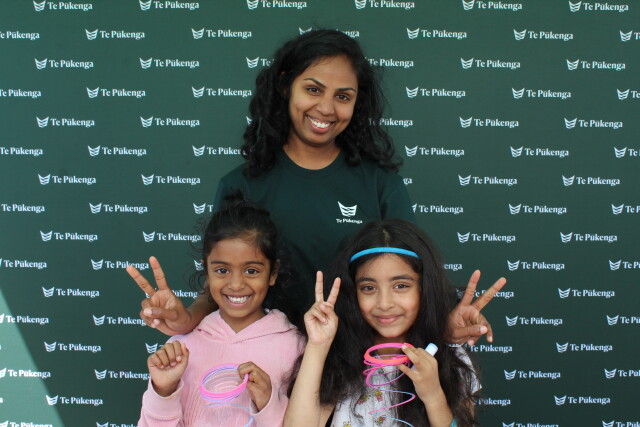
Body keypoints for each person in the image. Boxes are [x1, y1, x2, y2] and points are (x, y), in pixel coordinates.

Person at [131, 29, 496, 348]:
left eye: (343, 96)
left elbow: (412, 278)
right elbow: (226, 282)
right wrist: (187, 318)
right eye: (313, 89)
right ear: (285, 86)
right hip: (264, 364)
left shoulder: (381, 185)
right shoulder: (239, 184)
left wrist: (446, 321)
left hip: (358, 368)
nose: (326, 108)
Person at [285, 219, 507, 427]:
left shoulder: (451, 358)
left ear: (424, 289)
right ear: (353, 294)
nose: (385, 303)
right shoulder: (339, 358)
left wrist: (433, 395)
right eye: (368, 288)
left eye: (401, 286)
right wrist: (318, 346)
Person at [136, 194, 304, 426]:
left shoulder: (295, 347)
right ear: (206, 271)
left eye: (251, 271)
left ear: (272, 273)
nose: (236, 284)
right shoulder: (181, 348)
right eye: (222, 270)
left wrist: (269, 405)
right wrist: (164, 391)